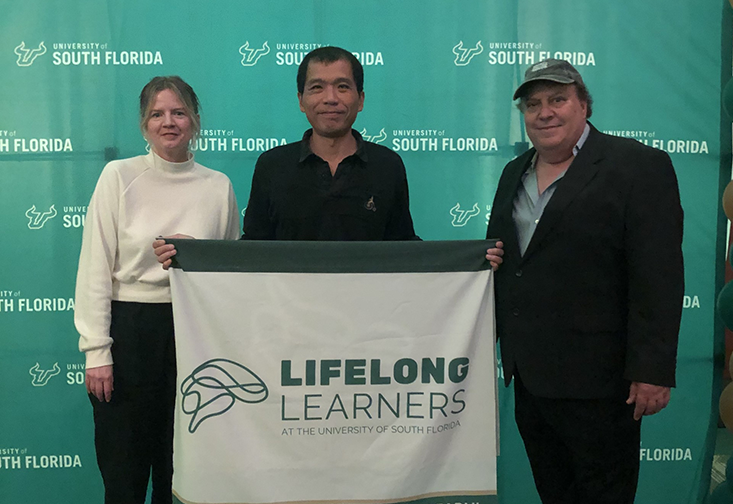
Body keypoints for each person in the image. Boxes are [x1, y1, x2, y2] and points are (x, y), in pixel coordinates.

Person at [487, 58, 683, 503]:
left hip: (602, 382)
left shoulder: (637, 166)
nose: (545, 112)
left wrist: (651, 370)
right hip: (531, 378)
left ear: (584, 105)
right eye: (533, 103)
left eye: (558, 99)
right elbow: (510, 261)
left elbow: (659, 273)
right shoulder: (512, 172)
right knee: (555, 493)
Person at [153, 46, 503, 267]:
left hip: (369, 331)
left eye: (342, 86)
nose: (330, 98)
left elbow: (404, 247)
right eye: (317, 87)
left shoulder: (387, 165)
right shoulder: (272, 166)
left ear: (361, 99)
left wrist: (468, 261)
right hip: (289, 329)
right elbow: (252, 251)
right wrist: (196, 256)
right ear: (301, 100)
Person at [74, 76, 240, 504]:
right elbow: (95, 269)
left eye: (179, 112)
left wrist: (197, 256)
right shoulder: (118, 176)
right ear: (144, 125)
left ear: (196, 121)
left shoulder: (217, 186)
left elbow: (233, 276)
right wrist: (97, 351)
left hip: (193, 336)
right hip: (130, 332)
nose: (169, 122)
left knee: (181, 472)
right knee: (124, 473)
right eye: (157, 114)